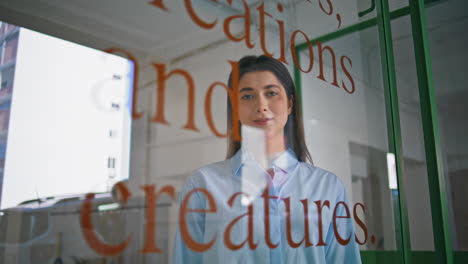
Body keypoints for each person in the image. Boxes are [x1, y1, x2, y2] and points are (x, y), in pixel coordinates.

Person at [172, 55, 361, 263]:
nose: (261, 105)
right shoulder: (202, 184)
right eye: (247, 96)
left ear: (289, 104)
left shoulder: (328, 187)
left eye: (271, 93)